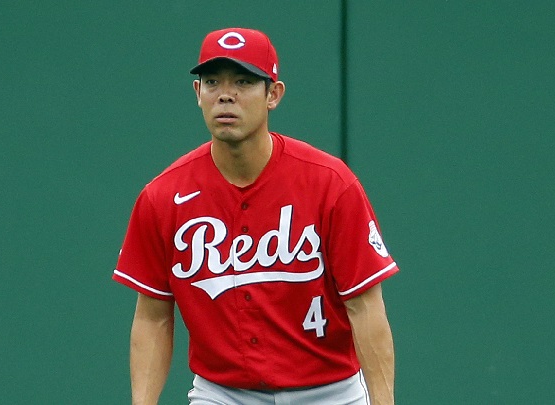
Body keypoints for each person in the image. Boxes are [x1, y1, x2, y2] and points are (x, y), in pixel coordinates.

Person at [113, 27, 399, 405]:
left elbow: (365, 308)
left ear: (273, 95)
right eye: (212, 82)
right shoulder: (163, 196)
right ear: (197, 93)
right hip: (223, 394)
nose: (225, 94)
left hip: (330, 392)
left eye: (244, 81)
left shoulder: (330, 184)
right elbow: (153, 316)